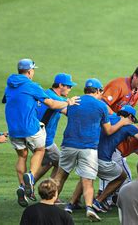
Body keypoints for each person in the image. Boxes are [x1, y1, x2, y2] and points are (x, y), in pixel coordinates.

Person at [3, 59, 79, 207]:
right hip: (37, 133)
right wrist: (69, 102)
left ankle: (23, 187)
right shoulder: (35, 87)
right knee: (58, 161)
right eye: (68, 86)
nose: (70, 88)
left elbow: (9, 100)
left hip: (14, 129)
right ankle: (49, 194)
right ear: (30, 71)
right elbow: (60, 108)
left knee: (25, 157)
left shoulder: (10, 85)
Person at [53, 78, 131, 222]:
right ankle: (89, 207)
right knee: (88, 180)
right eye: (101, 91)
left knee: (61, 176)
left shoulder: (74, 101)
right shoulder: (101, 106)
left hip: (69, 144)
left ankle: (51, 204)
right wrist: (122, 122)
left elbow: (61, 109)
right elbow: (108, 130)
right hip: (88, 148)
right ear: (98, 91)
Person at [35, 73, 77, 182]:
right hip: (45, 139)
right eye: (69, 86)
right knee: (61, 164)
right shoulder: (55, 99)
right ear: (60, 85)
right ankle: (50, 191)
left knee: (48, 162)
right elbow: (69, 112)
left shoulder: (47, 93)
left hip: (37, 136)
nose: (70, 89)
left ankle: (27, 187)